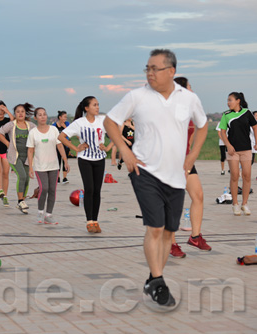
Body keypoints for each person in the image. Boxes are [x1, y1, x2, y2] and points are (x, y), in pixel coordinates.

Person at [104, 49, 208, 307]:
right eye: (147, 68)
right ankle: (160, 282)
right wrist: (125, 151)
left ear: (171, 71)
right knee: (156, 227)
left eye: (155, 68)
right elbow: (110, 121)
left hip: (176, 175)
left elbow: (203, 125)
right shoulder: (137, 96)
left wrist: (193, 154)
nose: (150, 73)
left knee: (168, 231)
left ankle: (153, 280)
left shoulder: (189, 98)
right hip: (145, 171)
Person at [169, 76, 211, 258]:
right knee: (173, 203)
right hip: (171, 161)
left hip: (186, 161)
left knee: (198, 196)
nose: (192, 90)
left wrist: (191, 154)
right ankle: (171, 244)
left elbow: (194, 133)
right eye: (190, 87)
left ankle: (195, 237)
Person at [58, 96, 111, 233]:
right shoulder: (79, 123)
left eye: (98, 104)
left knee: (97, 191)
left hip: (100, 159)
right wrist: (76, 149)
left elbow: (115, 132)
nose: (97, 107)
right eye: (94, 105)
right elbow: (61, 137)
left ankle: (96, 221)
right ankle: (89, 221)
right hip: (85, 159)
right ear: (86, 108)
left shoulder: (103, 120)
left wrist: (107, 147)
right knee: (89, 189)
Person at [28, 107, 69, 224]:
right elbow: (30, 150)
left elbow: (60, 146)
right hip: (40, 166)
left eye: (44, 114)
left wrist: (65, 160)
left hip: (54, 166)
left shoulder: (54, 130)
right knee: (44, 188)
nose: (42, 117)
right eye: (40, 115)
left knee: (52, 190)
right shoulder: (33, 133)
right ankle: (40, 212)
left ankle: (48, 215)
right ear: (35, 118)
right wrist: (31, 167)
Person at [219, 92, 257, 216]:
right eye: (227, 100)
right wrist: (228, 146)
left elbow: (255, 127)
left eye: (230, 100)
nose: (228, 102)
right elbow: (222, 132)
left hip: (246, 149)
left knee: (247, 176)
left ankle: (244, 204)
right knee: (234, 176)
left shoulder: (247, 113)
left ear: (238, 101)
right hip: (232, 151)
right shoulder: (226, 115)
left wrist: (256, 142)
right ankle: (235, 204)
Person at [0, 103, 36, 214]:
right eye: (18, 112)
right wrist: (8, 144)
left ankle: (22, 201)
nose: (20, 113)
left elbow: (38, 135)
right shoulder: (11, 125)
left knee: (27, 179)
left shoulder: (31, 125)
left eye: (22, 111)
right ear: (15, 114)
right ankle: (20, 201)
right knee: (22, 176)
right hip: (14, 156)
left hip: (27, 157)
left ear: (25, 113)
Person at [52, 111, 71, 184]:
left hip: (65, 145)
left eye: (66, 117)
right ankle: (58, 178)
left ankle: (65, 177)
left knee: (65, 161)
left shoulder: (67, 124)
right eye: (64, 117)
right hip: (57, 146)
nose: (65, 118)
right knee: (58, 162)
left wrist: (64, 127)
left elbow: (69, 133)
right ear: (60, 117)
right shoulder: (54, 126)